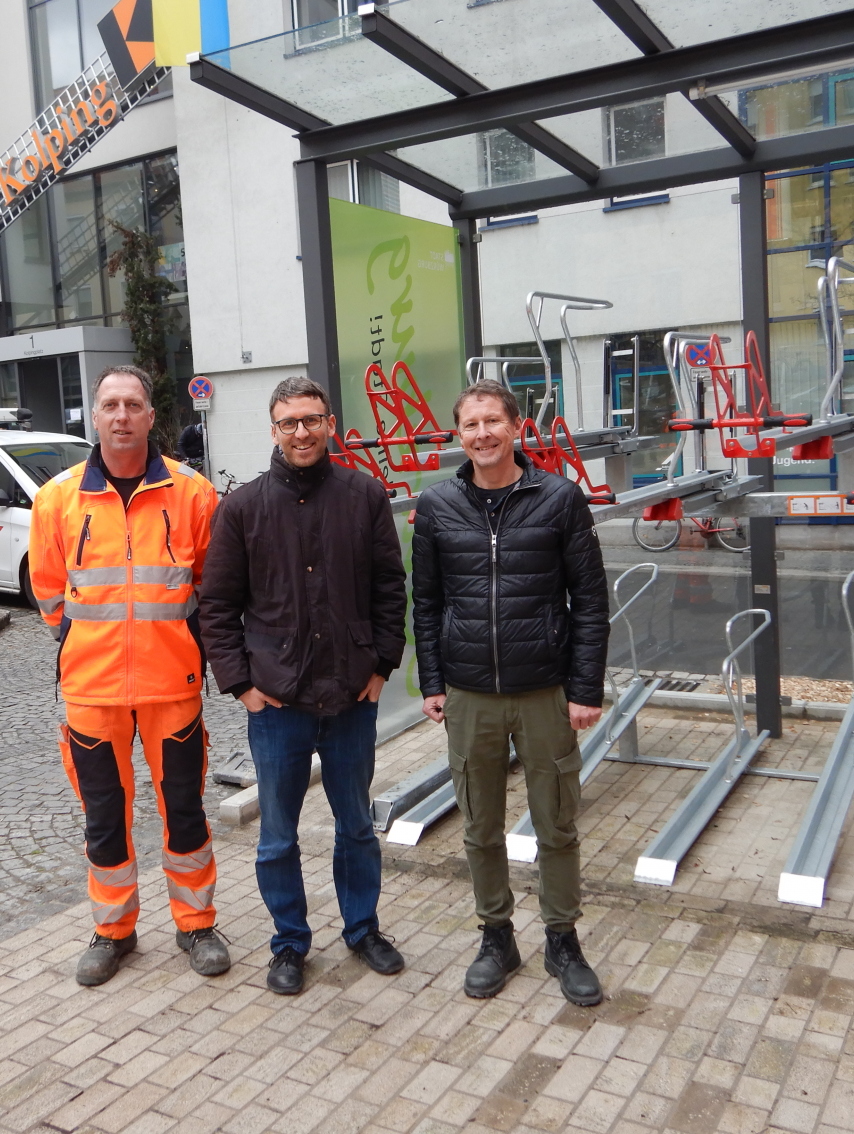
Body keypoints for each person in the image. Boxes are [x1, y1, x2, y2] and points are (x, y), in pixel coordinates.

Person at [200, 377, 407, 996]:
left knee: (357, 826)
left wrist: (380, 668)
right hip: (277, 702)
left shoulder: (364, 496)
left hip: (349, 697)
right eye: (289, 422)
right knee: (276, 835)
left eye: (311, 420)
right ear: (273, 429)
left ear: (330, 423)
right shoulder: (242, 508)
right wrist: (241, 685)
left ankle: (362, 928)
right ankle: (289, 942)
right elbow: (216, 607)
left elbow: (390, 588)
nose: (301, 432)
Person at [29, 364, 230, 987]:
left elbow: (212, 590)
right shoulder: (57, 498)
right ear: (95, 415)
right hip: (92, 692)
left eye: (133, 405)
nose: (121, 416)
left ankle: (197, 923)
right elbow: (48, 596)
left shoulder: (194, 494)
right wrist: (87, 646)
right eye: (110, 405)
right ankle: (113, 929)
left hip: (174, 686)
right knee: (104, 815)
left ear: (151, 416)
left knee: (186, 810)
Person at [411, 378, 610, 1007]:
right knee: (479, 826)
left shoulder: (558, 499)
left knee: (556, 822)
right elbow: (427, 603)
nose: (482, 435)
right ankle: (496, 935)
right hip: (471, 696)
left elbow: (591, 603)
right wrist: (434, 683)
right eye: (470, 425)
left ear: (517, 426)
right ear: (457, 434)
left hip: (545, 691)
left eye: (493, 421)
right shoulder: (438, 506)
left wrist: (584, 688)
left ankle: (562, 939)